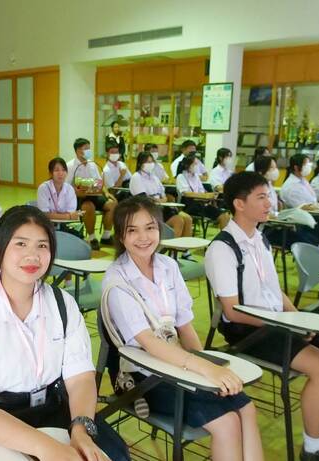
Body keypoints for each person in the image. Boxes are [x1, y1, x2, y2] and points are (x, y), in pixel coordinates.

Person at [207, 171, 319, 461]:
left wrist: (298, 318)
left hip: (281, 321)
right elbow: (232, 311)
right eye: (261, 197)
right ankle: (313, 448)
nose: (269, 203)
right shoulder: (222, 249)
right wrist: (288, 323)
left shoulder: (260, 239)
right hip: (249, 330)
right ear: (239, 204)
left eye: (269, 196)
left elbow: (274, 290)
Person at [0, 205, 130, 461]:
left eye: (42, 246)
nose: (33, 255)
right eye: (21, 244)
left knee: (115, 455)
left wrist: (81, 429)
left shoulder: (62, 304)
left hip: (52, 407)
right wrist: (48, 449)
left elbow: (80, 378)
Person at [103, 195, 263, 461]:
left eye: (150, 227)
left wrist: (206, 366)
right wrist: (204, 370)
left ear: (160, 228)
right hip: (145, 376)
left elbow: (185, 326)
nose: (143, 237)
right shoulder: (117, 281)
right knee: (227, 423)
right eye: (132, 230)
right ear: (120, 236)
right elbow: (149, 343)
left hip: (180, 364)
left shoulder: (168, 266)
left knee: (247, 409)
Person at [66, 138, 117, 250]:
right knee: (88, 207)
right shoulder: (70, 166)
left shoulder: (92, 164)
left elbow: (99, 181)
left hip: (95, 195)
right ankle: (92, 238)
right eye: (86, 149)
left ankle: (106, 236)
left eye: (89, 148)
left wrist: (106, 192)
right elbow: (66, 187)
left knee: (112, 204)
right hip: (79, 197)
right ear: (78, 151)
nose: (89, 151)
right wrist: (77, 192)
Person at [130, 152, 193, 241]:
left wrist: (163, 199)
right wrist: (157, 200)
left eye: (152, 162)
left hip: (162, 206)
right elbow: (142, 198)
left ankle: (184, 247)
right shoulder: (136, 177)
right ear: (140, 163)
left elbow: (163, 195)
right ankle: (171, 247)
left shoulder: (154, 178)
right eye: (147, 162)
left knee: (187, 218)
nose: (150, 164)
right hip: (148, 209)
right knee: (178, 220)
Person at [175, 153, 229, 230]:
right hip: (189, 205)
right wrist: (203, 196)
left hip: (201, 204)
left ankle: (224, 236)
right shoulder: (181, 176)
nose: (197, 167)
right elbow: (186, 193)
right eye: (195, 164)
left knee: (225, 215)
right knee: (222, 216)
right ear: (188, 165)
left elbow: (202, 191)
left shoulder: (196, 177)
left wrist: (211, 195)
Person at [38, 157, 81, 221]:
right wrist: (68, 216)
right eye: (56, 170)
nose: (60, 173)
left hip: (65, 223)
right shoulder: (43, 188)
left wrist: (53, 215)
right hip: (47, 223)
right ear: (50, 173)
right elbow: (44, 214)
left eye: (63, 170)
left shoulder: (70, 189)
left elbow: (71, 212)